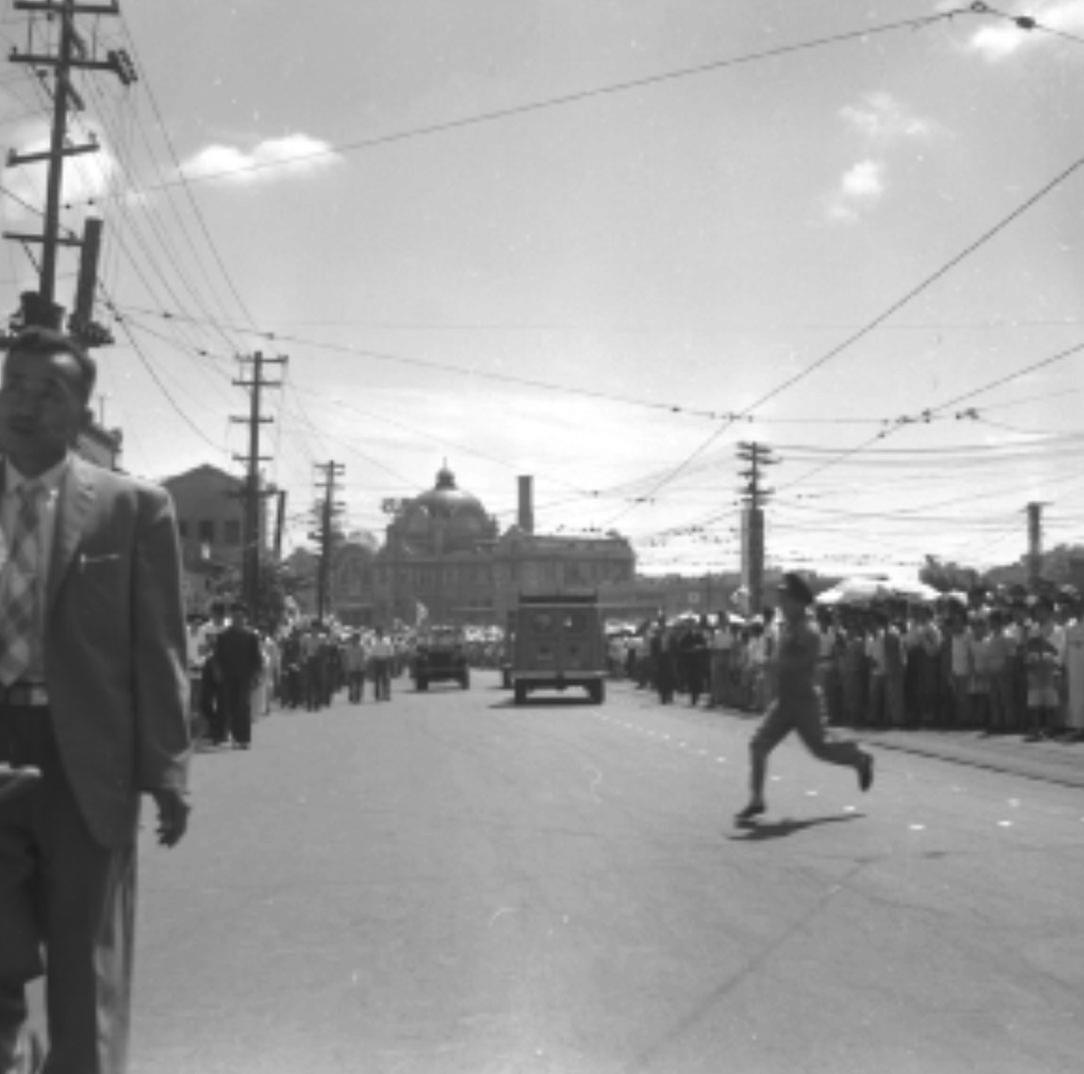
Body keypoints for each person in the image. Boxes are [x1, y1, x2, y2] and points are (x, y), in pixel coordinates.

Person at [0, 328, 190, 1074]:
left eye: (50, 392)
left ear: (81, 410)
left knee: (84, 966)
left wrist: (168, 771)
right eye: (15, 384)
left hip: (84, 754)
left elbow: (159, 647)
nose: (25, 403)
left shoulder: (132, 507)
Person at [736, 573, 874, 823]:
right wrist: (772, 664)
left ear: (799, 601)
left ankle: (859, 758)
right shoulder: (788, 626)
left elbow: (805, 661)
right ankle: (756, 799)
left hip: (805, 700)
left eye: (785, 598)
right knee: (758, 745)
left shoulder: (808, 630)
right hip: (786, 700)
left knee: (821, 749)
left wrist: (776, 664)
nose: (781, 604)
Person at [214, 602, 263, 749]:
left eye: (241, 617)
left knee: (243, 706)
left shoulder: (251, 636)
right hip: (228, 676)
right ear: (232, 618)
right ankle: (232, 735)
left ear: (245, 619)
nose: (238, 620)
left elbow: (256, 658)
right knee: (230, 705)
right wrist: (218, 671)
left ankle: (243, 738)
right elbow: (217, 657)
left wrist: (255, 675)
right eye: (235, 617)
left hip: (244, 676)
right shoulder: (223, 636)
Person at [370, 626, 394, 701]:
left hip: (378, 661)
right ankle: (385, 695)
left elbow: (372, 654)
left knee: (378, 680)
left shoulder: (375, 643)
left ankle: (379, 695)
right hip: (383, 661)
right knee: (384, 679)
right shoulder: (385, 642)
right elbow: (390, 653)